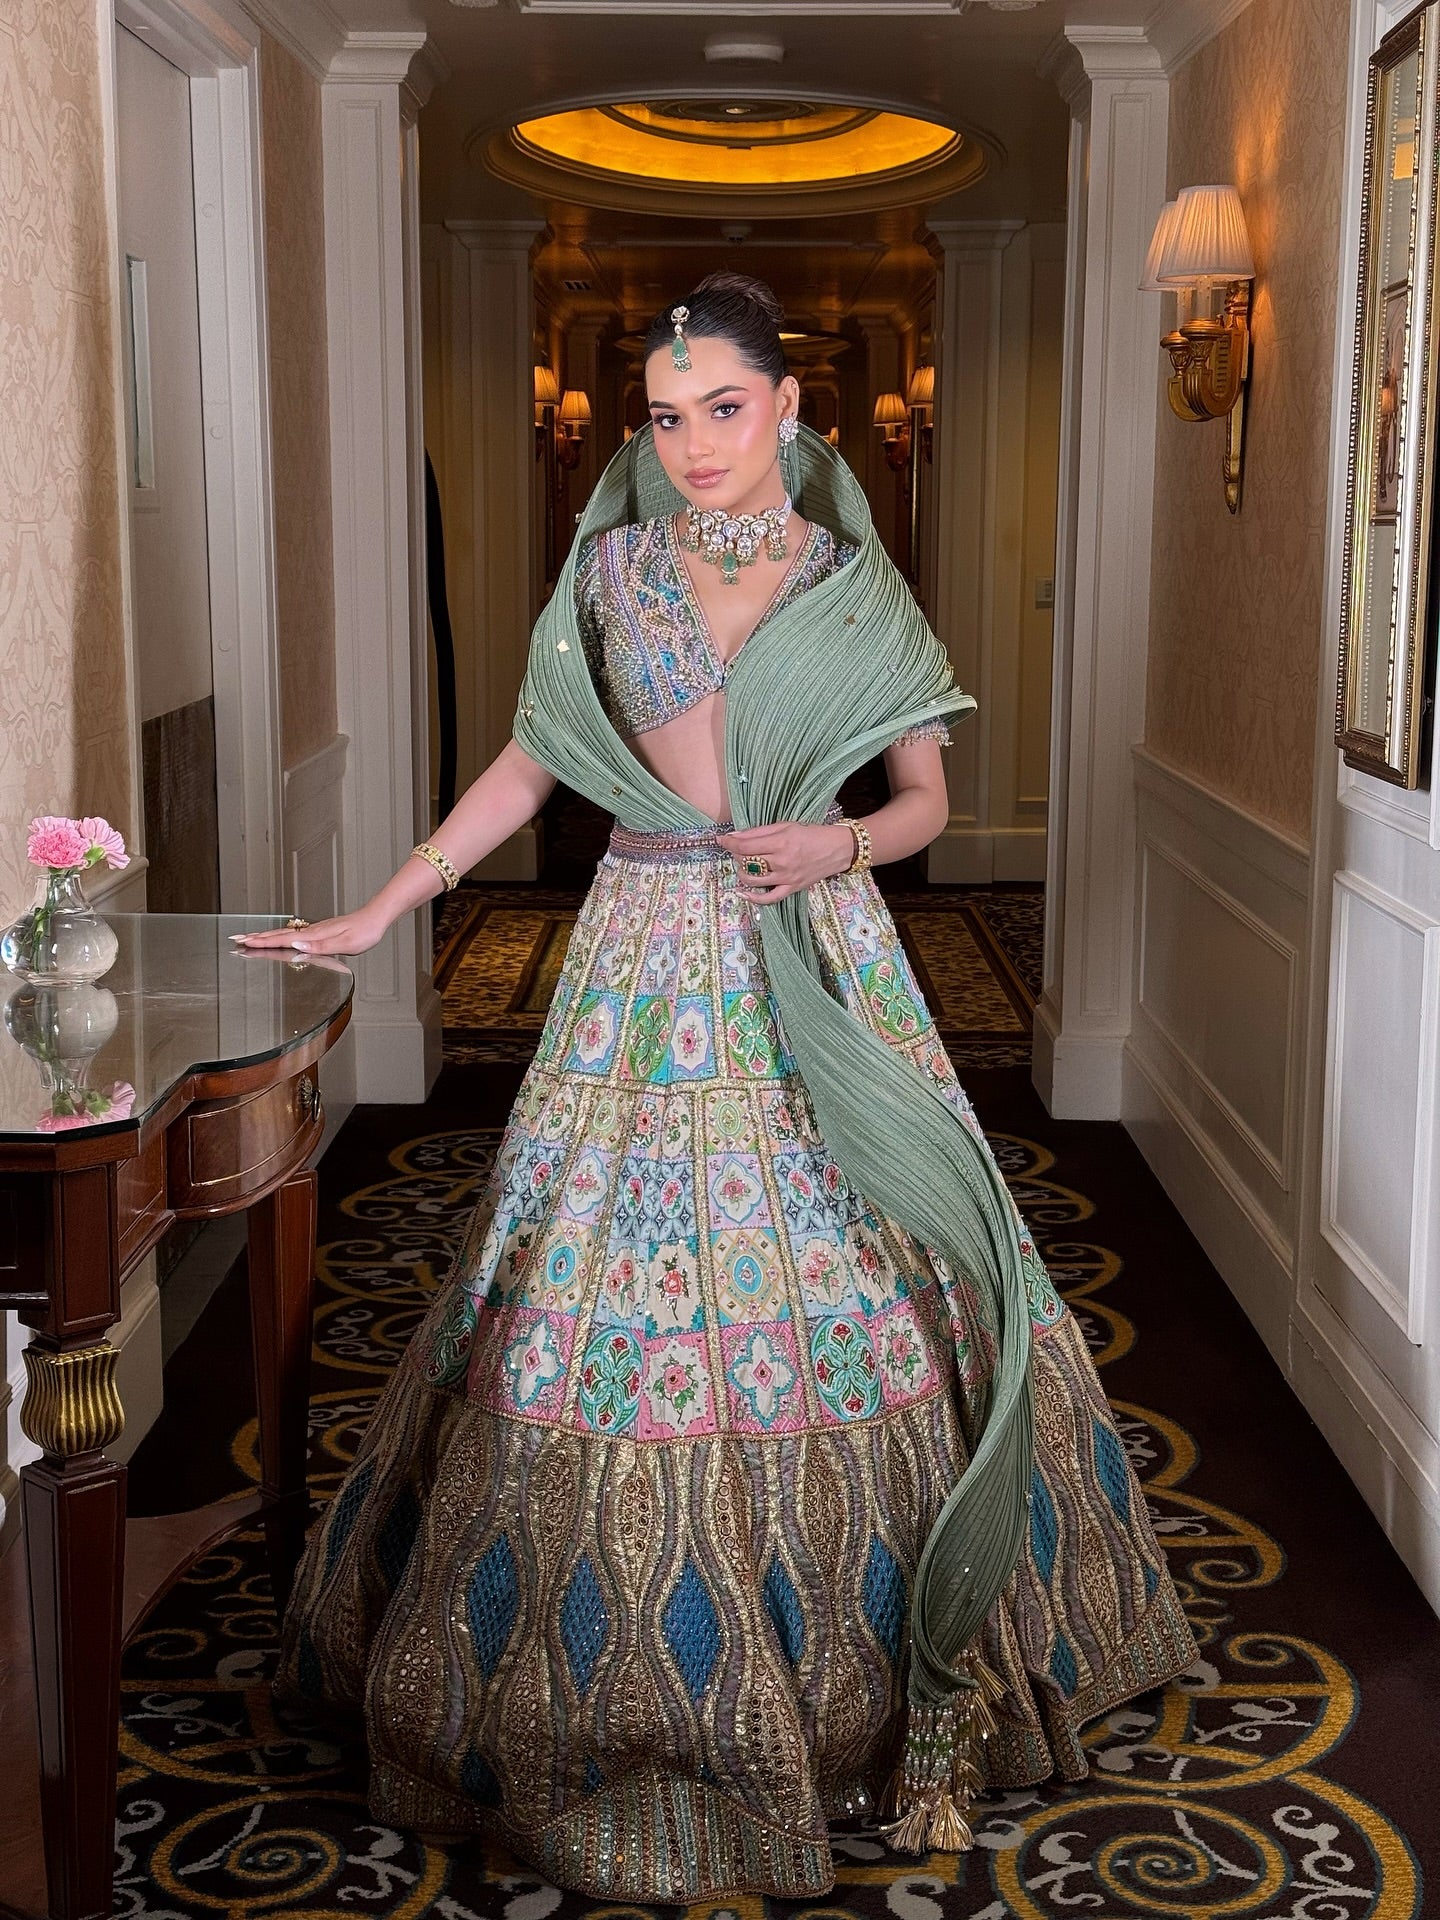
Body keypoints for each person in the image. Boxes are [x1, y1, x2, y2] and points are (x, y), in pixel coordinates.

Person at [239, 272, 1196, 1902]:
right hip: (640, 956)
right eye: (667, 417)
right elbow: (531, 760)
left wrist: (841, 843)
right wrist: (385, 905)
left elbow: (924, 801)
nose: (693, 444)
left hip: (814, 946)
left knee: (871, 1270)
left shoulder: (853, 584)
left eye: (725, 409)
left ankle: (887, 1678)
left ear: (791, 407)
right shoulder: (611, 568)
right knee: (596, 1289)